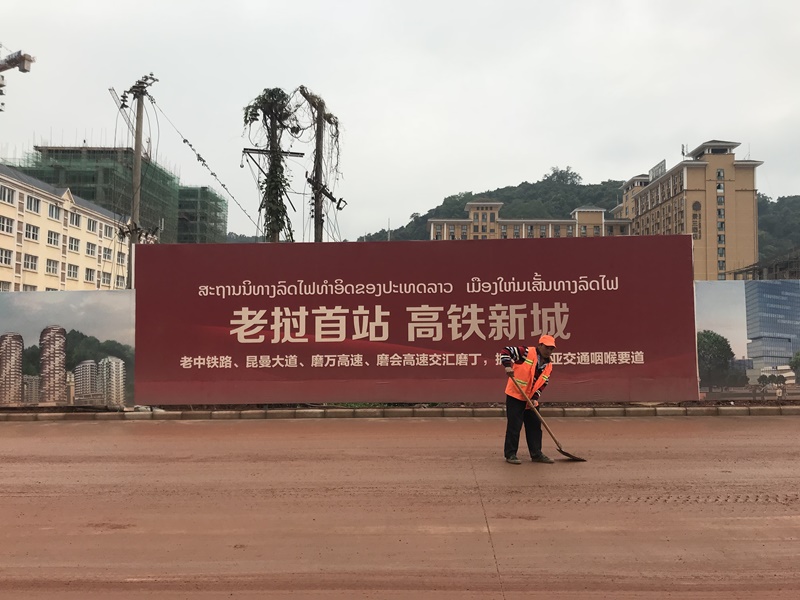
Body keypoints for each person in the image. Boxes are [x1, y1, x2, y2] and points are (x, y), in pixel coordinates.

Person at [500, 334, 557, 465]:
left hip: (531, 399)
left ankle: (536, 454)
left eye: (551, 349)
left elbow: (543, 383)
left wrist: (535, 398)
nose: (549, 351)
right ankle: (510, 454)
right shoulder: (526, 352)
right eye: (547, 347)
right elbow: (505, 351)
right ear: (540, 345)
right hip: (516, 395)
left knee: (535, 426)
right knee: (514, 425)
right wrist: (507, 366)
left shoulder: (548, 365)